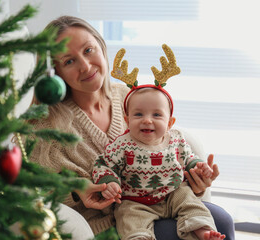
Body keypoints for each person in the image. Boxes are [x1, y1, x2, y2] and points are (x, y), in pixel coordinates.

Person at [29, 15, 234, 239]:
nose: (86, 66)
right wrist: (79, 189)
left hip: (164, 201)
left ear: (101, 46)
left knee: (222, 220)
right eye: (69, 61)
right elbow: (36, 188)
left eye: (88, 50)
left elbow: (163, 151)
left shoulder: (127, 96)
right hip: (113, 223)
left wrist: (195, 178)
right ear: (55, 73)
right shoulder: (45, 124)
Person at [92, 48, 226, 239]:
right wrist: (109, 181)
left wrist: (199, 167)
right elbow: (102, 164)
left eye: (156, 115)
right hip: (136, 201)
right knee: (129, 218)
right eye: (138, 114)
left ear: (170, 123)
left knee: (191, 203)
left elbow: (188, 159)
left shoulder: (176, 139)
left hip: (173, 194)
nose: (147, 120)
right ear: (127, 119)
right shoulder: (122, 145)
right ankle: (139, 237)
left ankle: (203, 230)